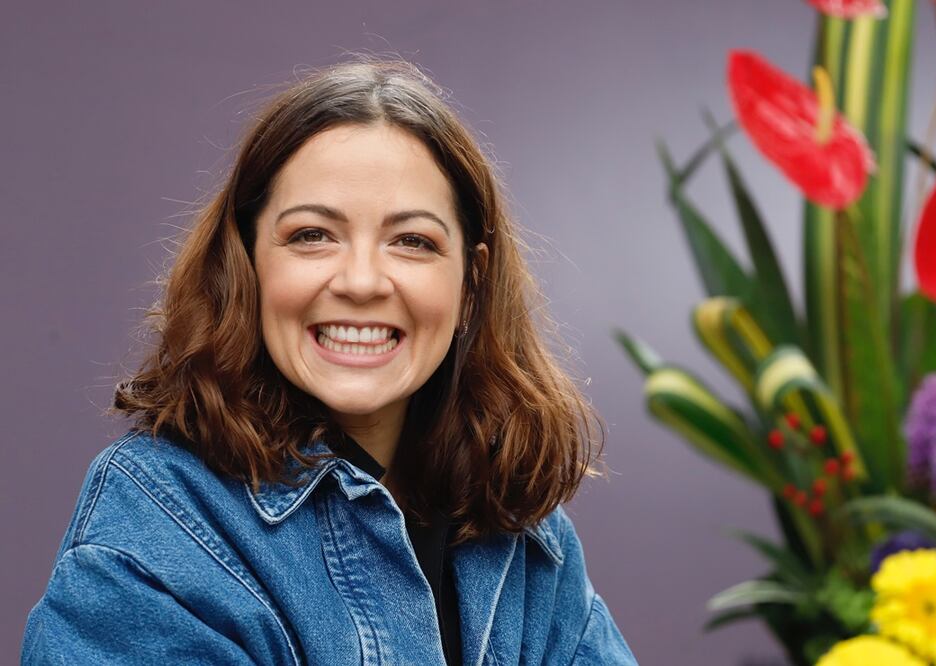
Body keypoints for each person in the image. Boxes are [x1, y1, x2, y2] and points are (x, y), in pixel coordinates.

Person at [21, 59, 636, 665]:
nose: (361, 281)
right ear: (247, 265)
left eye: (412, 241)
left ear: (470, 286)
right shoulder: (159, 513)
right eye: (312, 235)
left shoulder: (525, 530)